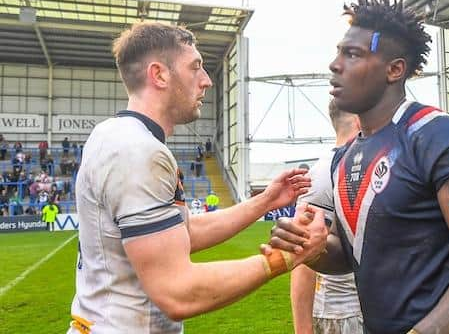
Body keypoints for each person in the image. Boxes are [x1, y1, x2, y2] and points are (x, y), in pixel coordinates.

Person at [268, 0, 449, 334]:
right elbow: (349, 255)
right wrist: (312, 248)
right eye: (338, 52)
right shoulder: (343, 159)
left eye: (352, 54)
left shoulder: (440, 136)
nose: (334, 64)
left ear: (394, 69)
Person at [67, 22, 327, 334]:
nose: (206, 82)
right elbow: (178, 292)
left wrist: (265, 201)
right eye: (196, 68)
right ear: (159, 74)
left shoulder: (112, 134)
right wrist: (285, 257)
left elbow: (180, 233)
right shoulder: (138, 151)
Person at [291, 100, 363, 334]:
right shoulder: (324, 173)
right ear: (358, 120)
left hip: (369, 307)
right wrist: (303, 330)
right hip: (342, 315)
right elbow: (303, 259)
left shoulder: (361, 164)